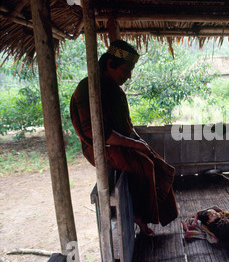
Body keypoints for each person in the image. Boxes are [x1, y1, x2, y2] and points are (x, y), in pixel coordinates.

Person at [70, 40, 178, 236]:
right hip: (99, 147)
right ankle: (141, 217)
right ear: (110, 64)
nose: (129, 76)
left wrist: (141, 143)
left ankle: (164, 214)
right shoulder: (87, 89)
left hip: (118, 141)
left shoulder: (116, 91)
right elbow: (99, 135)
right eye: (126, 69)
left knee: (158, 162)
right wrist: (135, 145)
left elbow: (127, 127)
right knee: (144, 164)